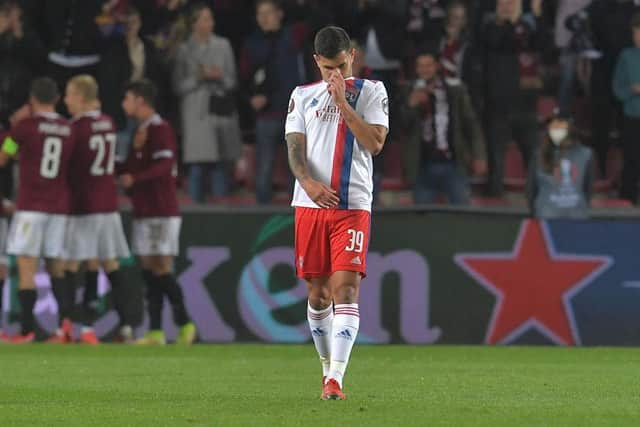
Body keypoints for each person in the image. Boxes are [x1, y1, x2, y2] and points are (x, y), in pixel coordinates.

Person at [285, 26, 389, 400]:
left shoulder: (371, 92)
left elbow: (375, 143)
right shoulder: (302, 96)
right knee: (317, 295)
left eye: (341, 66)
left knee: (345, 288)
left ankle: (336, 380)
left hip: (352, 206)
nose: (335, 75)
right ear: (316, 62)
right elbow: (295, 149)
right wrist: (309, 183)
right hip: (310, 207)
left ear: (353, 56)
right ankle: (327, 368)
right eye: (328, 68)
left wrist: (344, 103)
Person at [119, 79, 196, 345]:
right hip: (144, 209)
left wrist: (135, 179)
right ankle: (155, 331)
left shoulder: (160, 129)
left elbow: (165, 166)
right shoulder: (139, 130)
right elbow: (129, 166)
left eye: (127, 98)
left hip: (162, 209)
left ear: (140, 100)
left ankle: (185, 324)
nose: (124, 104)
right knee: (149, 270)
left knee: (161, 267)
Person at [0, 77, 75, 343]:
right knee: (56, 267)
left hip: (32, 206)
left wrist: (12, 128)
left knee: (27, 266)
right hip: (59, 207)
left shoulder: (26, 128)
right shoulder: (68, 129)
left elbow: (3, 155)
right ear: (56, 99)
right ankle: (65, 328)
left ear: (32, 100)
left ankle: (26, 330)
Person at [63, 75, 134, 344]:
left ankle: (71, 325)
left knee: (71, 263)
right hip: (108, 205)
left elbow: (65, 166)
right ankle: (126, 325)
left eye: (69, 94)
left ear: (81, 97)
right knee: (108, 262)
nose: (66, 100)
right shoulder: (108, 122)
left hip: (84, 205)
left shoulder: (76, 128)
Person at [397, 50, 486, 205]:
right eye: (421, 66)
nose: (425, 69)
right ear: (416, 69)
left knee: (462, 214)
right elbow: (400, 127)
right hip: (422, 166)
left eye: (429, 65)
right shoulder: (408, 91)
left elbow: (472, 125)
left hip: (453, 164)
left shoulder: (455, 90)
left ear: (436, 66)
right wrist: (411, 106)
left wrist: (480, 156)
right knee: (422, 216)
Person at [174, 3, 241, 202]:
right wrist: (199, 77)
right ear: (194, 23)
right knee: (197, 167)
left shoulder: (223, 45)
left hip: (219, 114)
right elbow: (178, 86)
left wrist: (218, 76)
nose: (209, 23)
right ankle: (195, 219)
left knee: (220, 167)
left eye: (210, 19)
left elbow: (232, 81)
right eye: (204, 19)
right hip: (196, 115)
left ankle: (223, 219)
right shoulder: (184, 50)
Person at [240, 0, 306, 204]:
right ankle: (262, 213)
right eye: (260, 14)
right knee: (264, 167)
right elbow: (243, 78)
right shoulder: (252, 43)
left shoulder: (293, 36)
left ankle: (299, 214)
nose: (264, 18)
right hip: (266, 115)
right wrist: (251, 98)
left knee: (296, 168)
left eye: (269, 12)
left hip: (294, 113)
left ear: (279, 13)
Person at [482, 0, 546, 197]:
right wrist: (517, 24)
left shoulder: (529, 27)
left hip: (527, 105)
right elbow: (504, 41)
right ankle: (495, 200)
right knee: (497, 158)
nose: (507, 5)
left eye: (512, 2)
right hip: (500, 105)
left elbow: (545, 44)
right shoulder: (490, 27)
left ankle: (537, 198)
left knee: (534, 157)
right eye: (502, 2)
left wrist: (536, 17)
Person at [526, 112, 593, 219]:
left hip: (576, 217)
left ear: (571, 130)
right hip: (546, 217)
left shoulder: (586, 154)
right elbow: (531, 190)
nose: (557, 132)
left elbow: (588, 189)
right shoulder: (538, 155)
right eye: (554, 128)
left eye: (561, 128)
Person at [613, 13, 640, 205]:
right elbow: (617, 87)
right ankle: (627, 198)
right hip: (632, 115)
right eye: (636, 33)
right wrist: (632, 90)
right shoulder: (626, 56)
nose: (638, 37)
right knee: (631, 158)